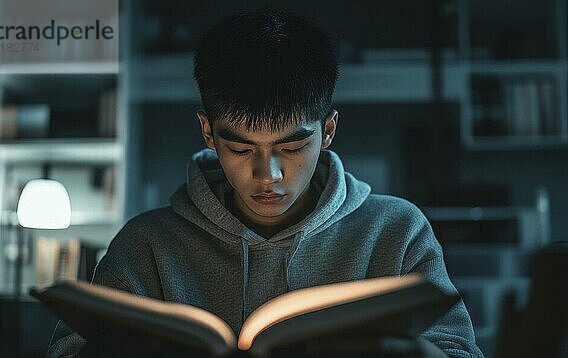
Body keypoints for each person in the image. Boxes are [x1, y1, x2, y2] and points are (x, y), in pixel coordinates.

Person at [47, 10, 483, 357]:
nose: (267, 175)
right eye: (240, 149)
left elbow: (458, 350)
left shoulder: (396, 232)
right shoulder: (146, 246)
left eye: (291, 148)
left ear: (328, 131)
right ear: (208, 133)